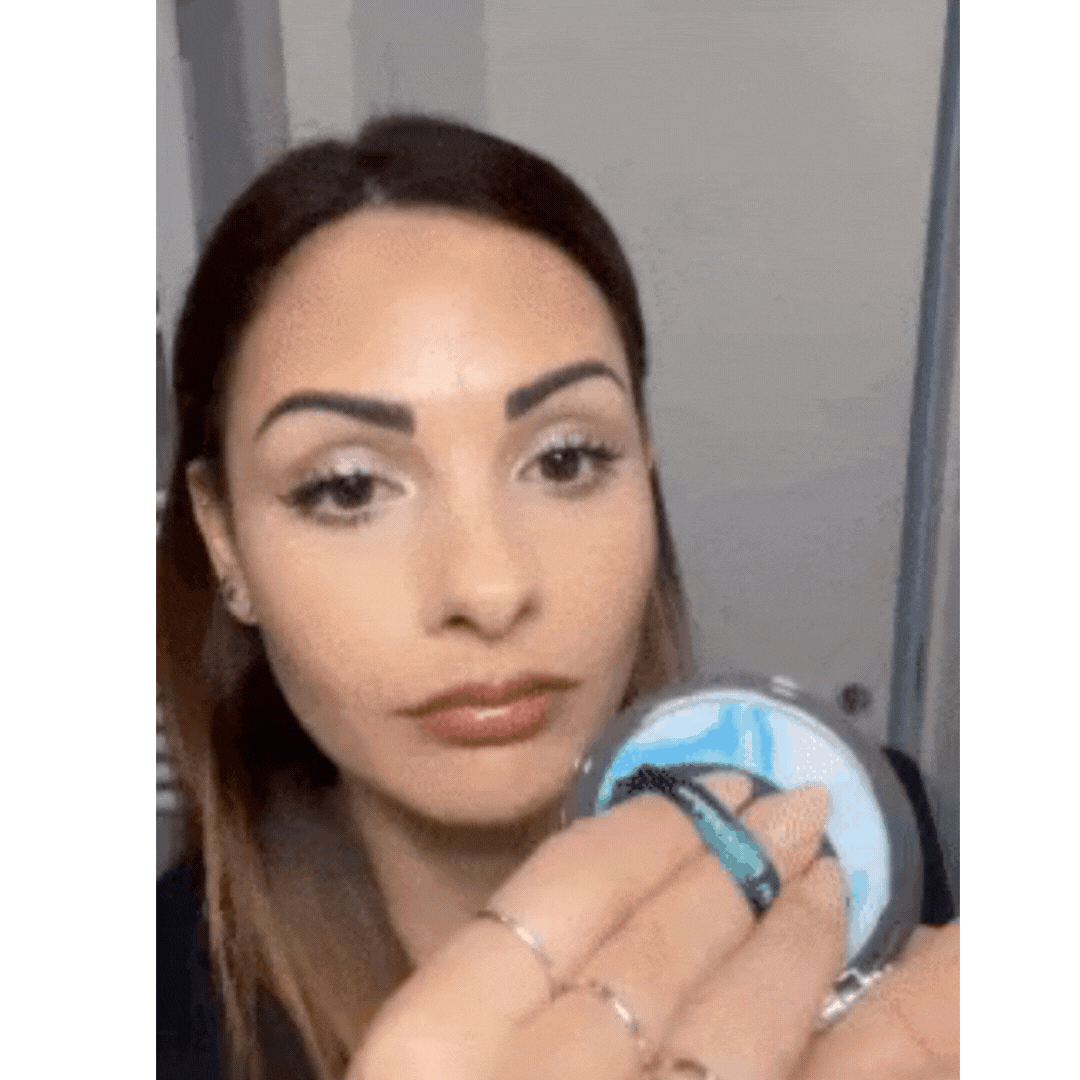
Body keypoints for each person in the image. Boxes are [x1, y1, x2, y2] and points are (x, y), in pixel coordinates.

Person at [157, 114, 958, 1080]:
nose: (489, 590)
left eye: (567, 459)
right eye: (349, 486)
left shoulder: (858, 838)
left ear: (645, 466)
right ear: (223, 537)